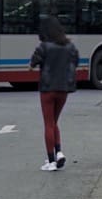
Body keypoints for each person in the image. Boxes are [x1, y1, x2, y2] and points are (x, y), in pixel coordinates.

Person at [30, 16, 80, 171]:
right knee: (54, 122)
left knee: (48, 124)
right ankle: (59, 152)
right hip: (63, 89)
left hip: (47, 89)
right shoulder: (70, 46)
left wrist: (34, 65)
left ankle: (51, 161)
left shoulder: (44, 46)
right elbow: (76, 62)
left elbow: (33, 62)